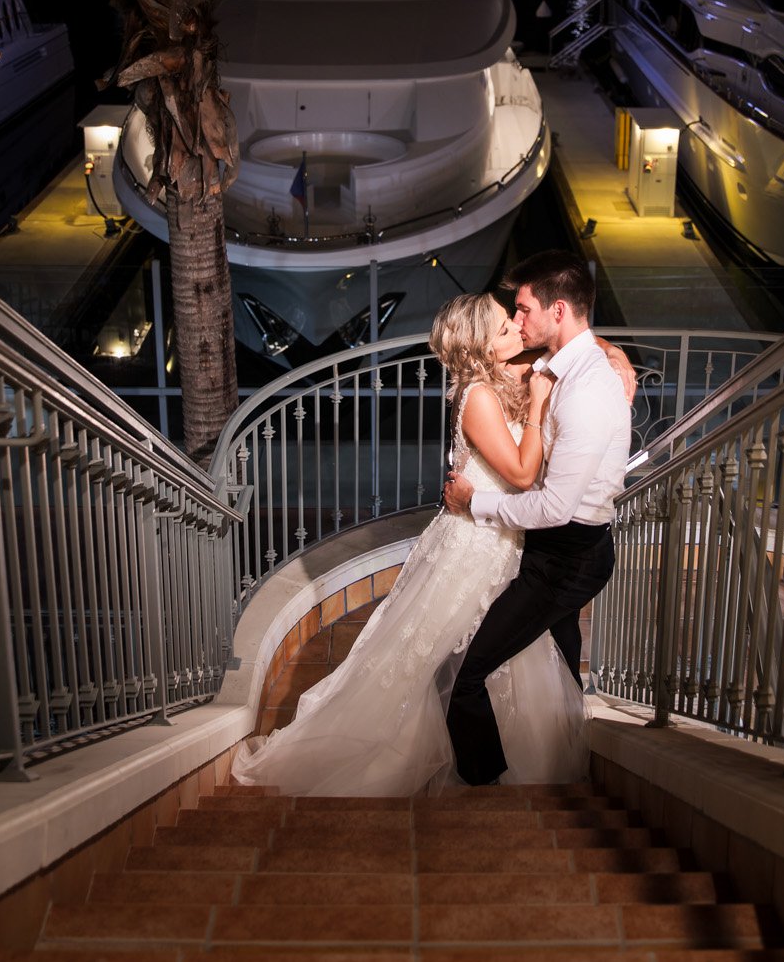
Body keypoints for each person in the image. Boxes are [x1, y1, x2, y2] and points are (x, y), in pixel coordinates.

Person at [228, 290, 620, 795]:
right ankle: (448, 762)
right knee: (445, 655)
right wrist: (543, 402)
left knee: (501, 653)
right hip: (475, 544)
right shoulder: (478, 395)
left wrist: (616, 359)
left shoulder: (507, 377)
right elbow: (523, 475)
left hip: (504, 539)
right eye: (504, 328)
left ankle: (505, 757)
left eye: (514, 321)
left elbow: (573, 346)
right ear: (479, 344)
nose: (517, 331)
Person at [441, 249, 632, 787]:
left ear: (560, 311)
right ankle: (567, 759)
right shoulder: (556, 365)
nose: (518, 323)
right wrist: (616, 352)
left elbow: (549, 504)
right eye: (512, 317)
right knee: (560, 656)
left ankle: (483, 785)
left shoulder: (586, 392)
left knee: (471, 674)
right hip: (546, 549)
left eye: (523, 311)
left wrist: (471, 502)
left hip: (567, 555)